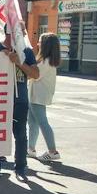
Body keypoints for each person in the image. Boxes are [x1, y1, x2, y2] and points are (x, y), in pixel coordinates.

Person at [0, 24, 39, 180]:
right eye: (19, 32)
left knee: (20, 135)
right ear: (8, 33)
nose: (22, 35)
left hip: (19, 101)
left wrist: (18, 62)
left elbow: (35, 74)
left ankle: (21, 167)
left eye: (23, 32)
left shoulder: (26, 51)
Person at [28, 33, 61, 162]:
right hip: (35, 95)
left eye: (40, 41)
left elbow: (34, 75)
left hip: (38, 96)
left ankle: (53, 151)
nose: (38, 44)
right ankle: (31, 149)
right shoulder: (47, 60)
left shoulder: (45, 62)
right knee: (32, 122)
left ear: (46, 45)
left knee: (42, 122)